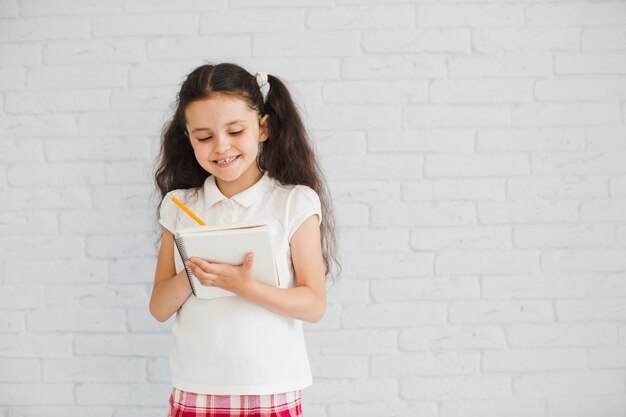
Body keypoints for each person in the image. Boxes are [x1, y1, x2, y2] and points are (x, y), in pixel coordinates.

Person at [150, 62, 340, 417]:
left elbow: (313, 305)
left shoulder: (292, 202)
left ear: (263, 128)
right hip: (196, 383)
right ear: (188, 138)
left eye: (235, 131)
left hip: (270, 384)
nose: (221, 147)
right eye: (204, 137)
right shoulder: (178, 206)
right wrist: (196, 273)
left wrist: (243, 285)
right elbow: (159, 306)